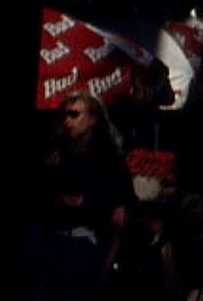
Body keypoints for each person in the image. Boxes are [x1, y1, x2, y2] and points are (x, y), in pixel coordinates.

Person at [33, 95, 129, 300]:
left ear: (93, 119)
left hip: (83, 245)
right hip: (50, 242)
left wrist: (107, 262)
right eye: (65, 115)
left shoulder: (109, 162)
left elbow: (119, 217)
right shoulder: (56, 156)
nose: (67, 121)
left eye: (74, 114)